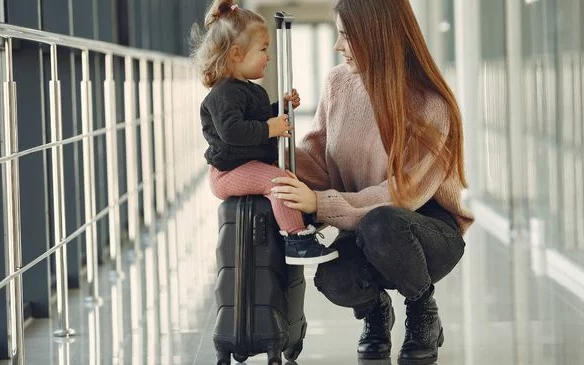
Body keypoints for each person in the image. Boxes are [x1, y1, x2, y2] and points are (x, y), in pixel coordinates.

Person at [270, 0, 475, 363]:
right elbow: (318, 161)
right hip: (365, 227)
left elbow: (402, 195)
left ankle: (422, 311)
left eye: (346, 36)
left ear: (376, 35)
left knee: (384, 224)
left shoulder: (431, 103)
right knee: (332, 278)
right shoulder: (338, 83)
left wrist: (322, 204)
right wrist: (277, 142)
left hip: (426, 232)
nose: (338, 46)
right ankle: (376, 313)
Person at [191, 0, 338, 265]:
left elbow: (255, 118)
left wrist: (279, 107)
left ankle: (302, 216)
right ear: (237, 54)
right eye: (263, 49)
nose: (268, 56)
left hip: (247, 164)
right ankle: (297, 241)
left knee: (289, 175)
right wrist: (271, 127)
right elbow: (233, 132)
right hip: (228, 173)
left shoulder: (248, 89)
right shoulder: (223, 94)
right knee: (278, 182)